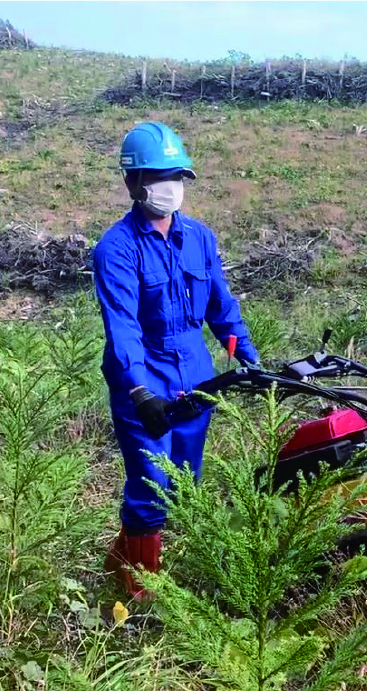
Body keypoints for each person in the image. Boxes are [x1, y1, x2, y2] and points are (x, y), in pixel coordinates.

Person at [93, 121, 258, 600]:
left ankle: (119, 566)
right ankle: (140, 595)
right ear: (132, 183)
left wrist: (248, 359)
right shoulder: (117, 249)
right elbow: (121, 325)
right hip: (144, 380)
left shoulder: (200, 238)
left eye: (177, 177)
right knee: (151, 484)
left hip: (196, 376)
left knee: (184, 482)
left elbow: (220, 308)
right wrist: (139, 389)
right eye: (157, 177)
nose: (169, 187)